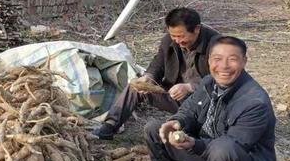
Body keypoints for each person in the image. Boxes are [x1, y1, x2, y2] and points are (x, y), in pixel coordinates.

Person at [144, 36, 276, 161]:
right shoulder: (208, 82)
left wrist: (194, 144)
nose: (223, 66)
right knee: (154, 128)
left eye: (232, 59)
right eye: (217, 58)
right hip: (210, 155)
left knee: (223, 148)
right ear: (209, 61)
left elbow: (234, 145)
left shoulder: (254, 101)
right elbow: (188, 111)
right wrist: (177, 123)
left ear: (244, 61)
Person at [94, 7, 219, 140]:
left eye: (181, 36)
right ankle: (109, 126)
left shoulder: (217, 45)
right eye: (173, 36)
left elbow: (220, 81)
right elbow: (157, 64)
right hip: (173, 95)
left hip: (203, 102)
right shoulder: (168, 41)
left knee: (192, 132)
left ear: (197, 29)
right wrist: (149, 77)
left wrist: (190, 87)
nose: (177, 41)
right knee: (135, 87)